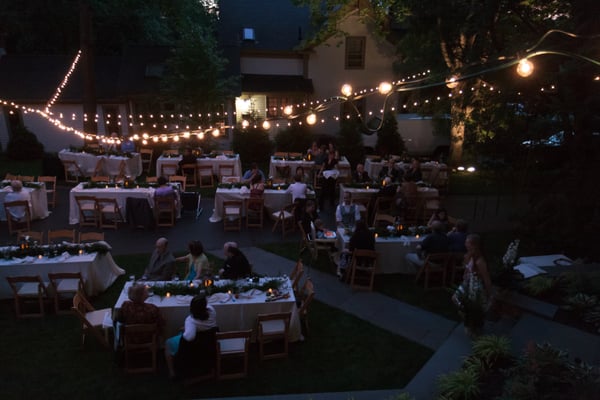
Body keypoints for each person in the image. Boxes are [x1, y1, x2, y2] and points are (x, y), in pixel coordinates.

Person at [165, 294, 218, 380]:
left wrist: (185, 330)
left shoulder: (190, 321)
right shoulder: (212, 311)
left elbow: (189, 338)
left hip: (196, 345)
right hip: (209, 341)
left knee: (168, 342)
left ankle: (172, 372)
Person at [452, 234, 493, 329]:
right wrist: (465, 274)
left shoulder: (480, 261)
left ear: (474, 245)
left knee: (471, 306)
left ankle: (472, 322)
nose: (465, 244)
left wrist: (490, 294)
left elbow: (486, 278)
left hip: (476, 286)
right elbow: (467, 268)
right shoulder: (470, 256)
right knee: (455, 298)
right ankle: (466, 315)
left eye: (467, 242)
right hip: (467, 282)